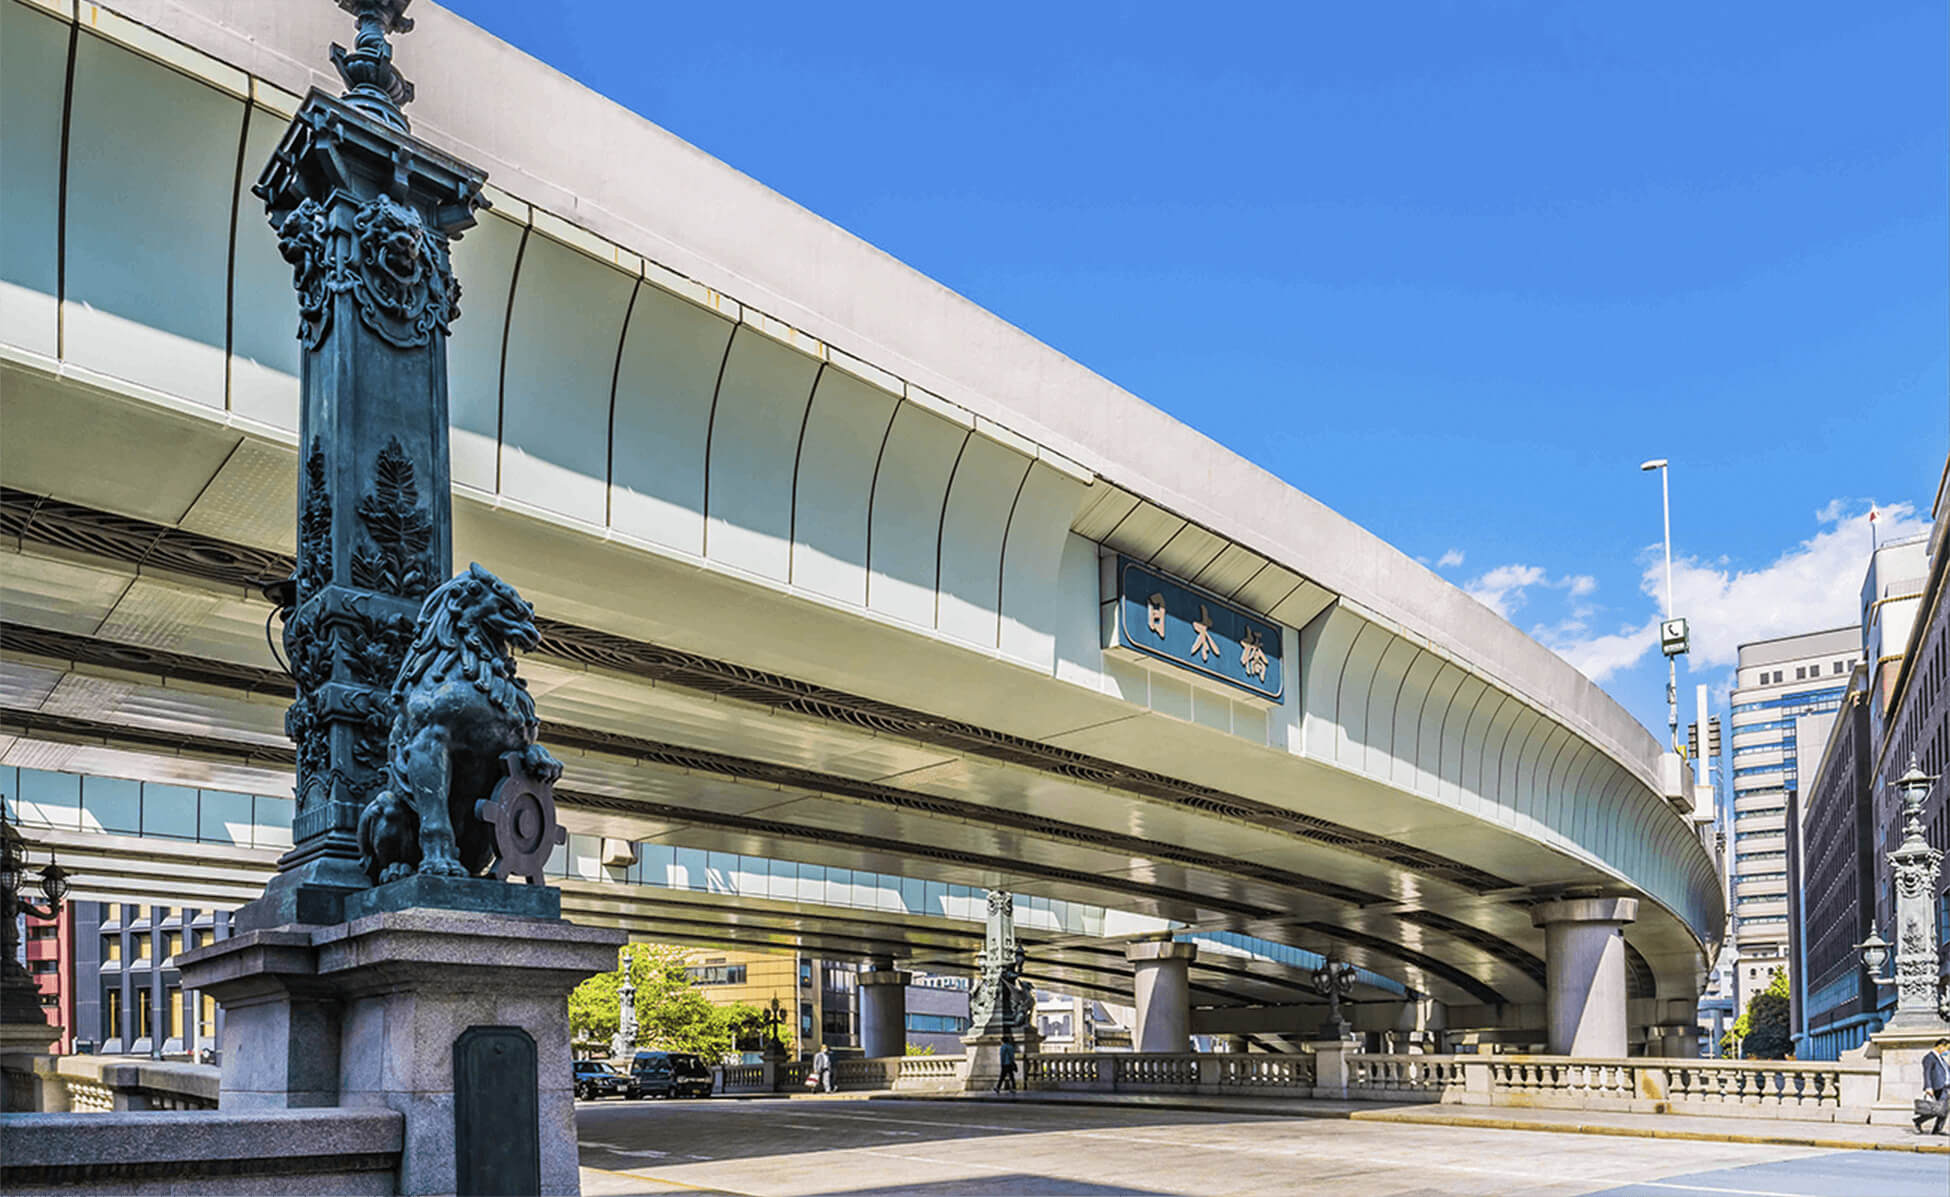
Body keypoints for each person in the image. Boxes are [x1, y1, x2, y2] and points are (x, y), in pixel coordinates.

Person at [1916, 1037, 1949, 1136]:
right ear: (1940, 1046)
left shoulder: (1941, 1058)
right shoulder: (1929, 1057)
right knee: (1939, 1109)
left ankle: (1936, 1129)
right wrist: (1928, 1087)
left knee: (1944, 1109)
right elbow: (1927, 1072)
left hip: (1947, 1086)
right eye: (1947, 1048)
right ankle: (1919, 1121)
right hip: (1939, 1086)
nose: (1947, 1051)